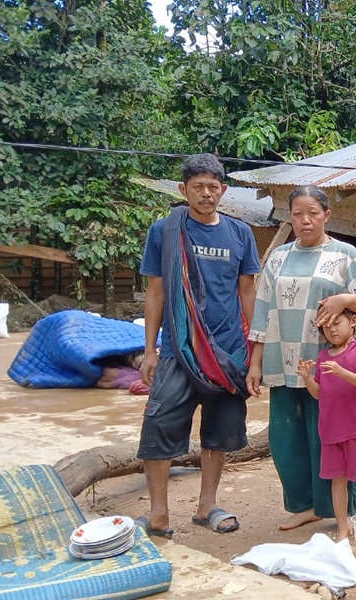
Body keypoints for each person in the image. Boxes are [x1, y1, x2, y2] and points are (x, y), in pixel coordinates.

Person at [246, 185, 356, 531]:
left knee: (328, 437)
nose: (305, 221)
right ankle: (304, 505)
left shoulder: (345, 255)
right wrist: (256, 363)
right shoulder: (278, 258)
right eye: (297, 214)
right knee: (287, 440)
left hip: (330, 367)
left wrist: (344, 300)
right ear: (289, 216)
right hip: (284, 361)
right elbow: (263, 312)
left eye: (313, 213)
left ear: (327, 215)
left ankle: (336, 511)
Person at [136, 153, 260, 537]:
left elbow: (248, 293)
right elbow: (155, 292)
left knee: (219, 433)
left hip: (227, 353)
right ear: (183, 190)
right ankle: (158, 515)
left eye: (212, 187)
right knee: (158, 427)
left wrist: (254, 353)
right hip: (177, 350)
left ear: (223, 190)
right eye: (197, 187)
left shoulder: (241, 233)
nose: (206, 194)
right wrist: (151, 349)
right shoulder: (165, 231)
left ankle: (207, 506)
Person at [298, 309, 356, 540]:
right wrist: (307, 378)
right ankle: (342, 526)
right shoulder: (323, 357)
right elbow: (320, 394)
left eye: (336, 323)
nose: (331, 330)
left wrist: (342, 372)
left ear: (352, 322)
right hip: (330, 429)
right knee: (337, 478)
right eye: (326, 327)